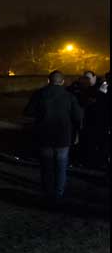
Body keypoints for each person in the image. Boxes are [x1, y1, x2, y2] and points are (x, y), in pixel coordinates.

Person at [24, 70, 83, 201]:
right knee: (61, 166)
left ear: (48, 80)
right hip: (63, 137)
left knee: (47, 165)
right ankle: (58, 193)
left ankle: (47, 191)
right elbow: (78, 116)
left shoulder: (39, 94)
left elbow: (28, 112)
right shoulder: (69, 96)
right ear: (62, 82)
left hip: (44, 135)